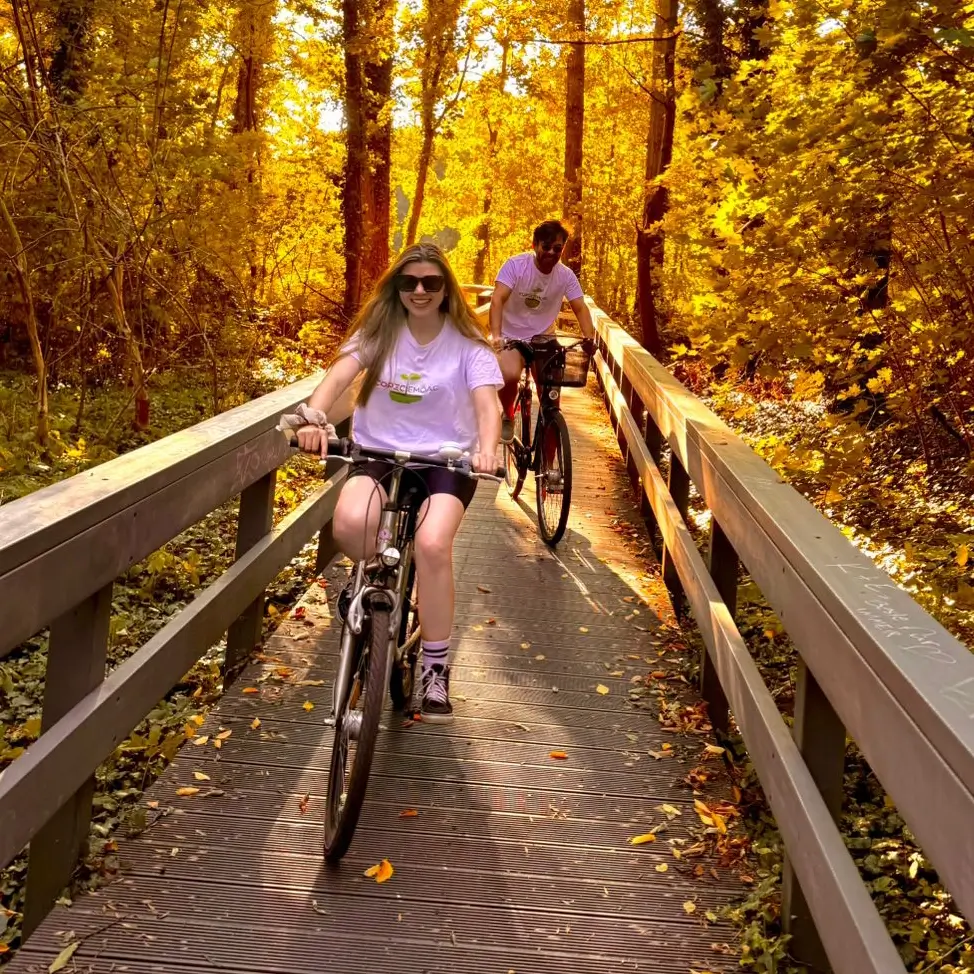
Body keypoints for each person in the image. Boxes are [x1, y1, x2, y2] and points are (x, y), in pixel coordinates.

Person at [282, 243, 503, 723]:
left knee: (432, 544)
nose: (420, 291)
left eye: (431, 282)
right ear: (396, 288)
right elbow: (337, 377)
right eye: (410, 282)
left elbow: (489, 405)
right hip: (377, 451)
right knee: (349, 524)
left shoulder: (469, 347)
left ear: (447, 289)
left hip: (447, 460)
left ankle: (436, 671)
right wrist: (314, 419)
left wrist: (488, 447)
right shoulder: (378, 334)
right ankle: (367, 582)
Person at [488, 220, 596, 443]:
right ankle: (507, 414)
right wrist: (496, 335)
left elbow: (580, 307)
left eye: (557, 248)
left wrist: (589, 337)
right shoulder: (516, 266)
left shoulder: (565, 276)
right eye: (545, 246)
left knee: (551, 400)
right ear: (534, 244)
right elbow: (497, 299)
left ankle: (550, 470)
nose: (551, 252)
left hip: (544, 337)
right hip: (511, 335)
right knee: (509, 374)